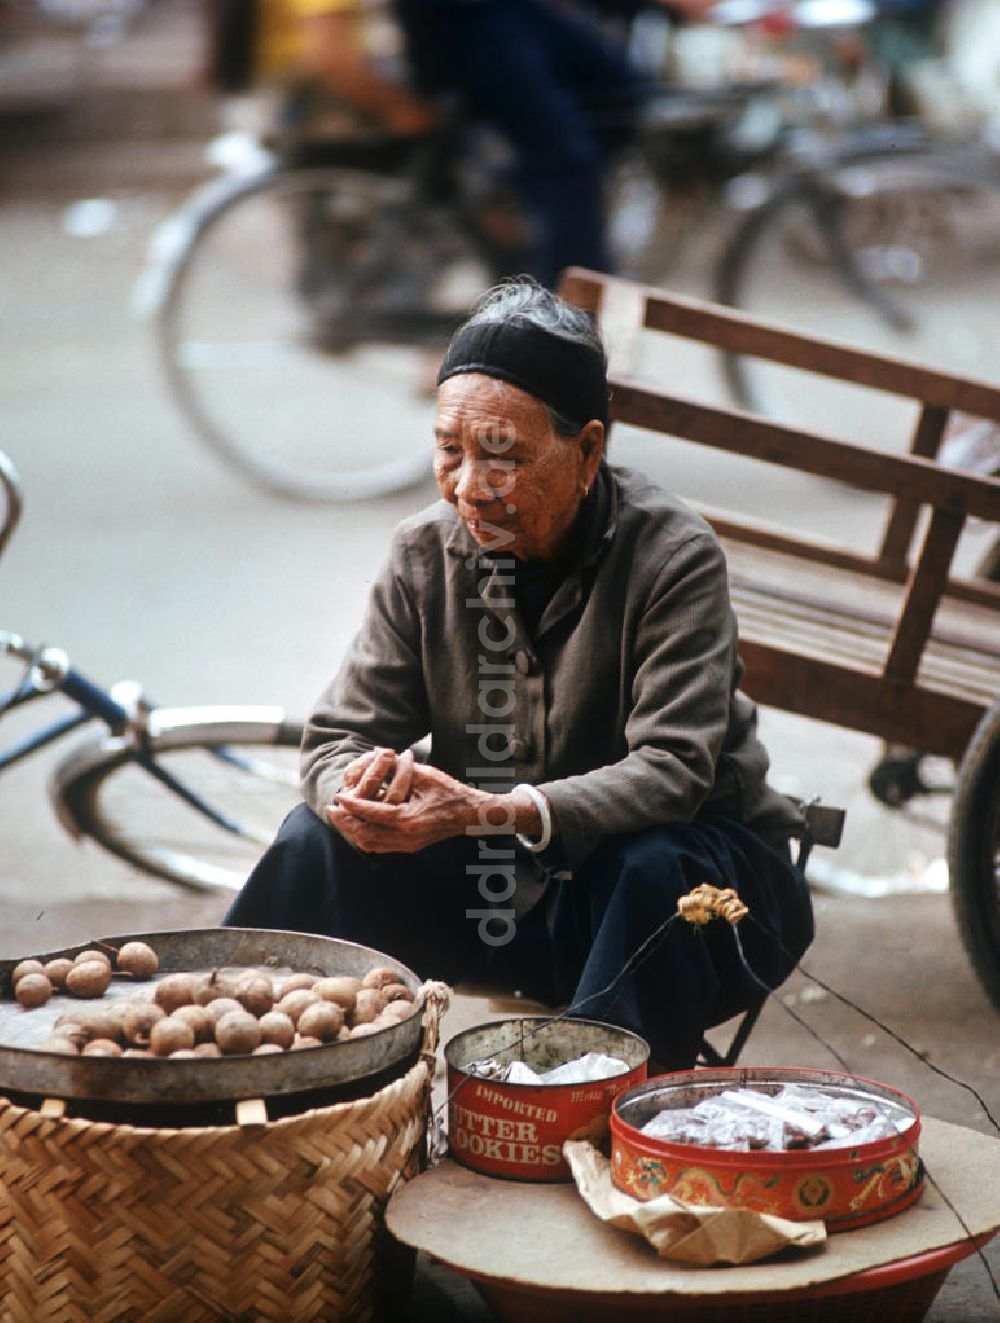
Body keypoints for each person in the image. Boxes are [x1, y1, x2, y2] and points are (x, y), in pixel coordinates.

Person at [223, 275, 814, 1070]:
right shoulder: (423, 555)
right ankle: (234, 1070)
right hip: (503, 897)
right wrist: (356, 793)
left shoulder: (673, 556)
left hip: (689, 896)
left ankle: (588, 1105)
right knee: (314, 839)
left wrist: (488, 811)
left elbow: (673, 771)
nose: (469, 486)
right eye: (448, 450)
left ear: (589, 451)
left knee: (649, 865)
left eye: (501, 456)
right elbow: (336, 738)